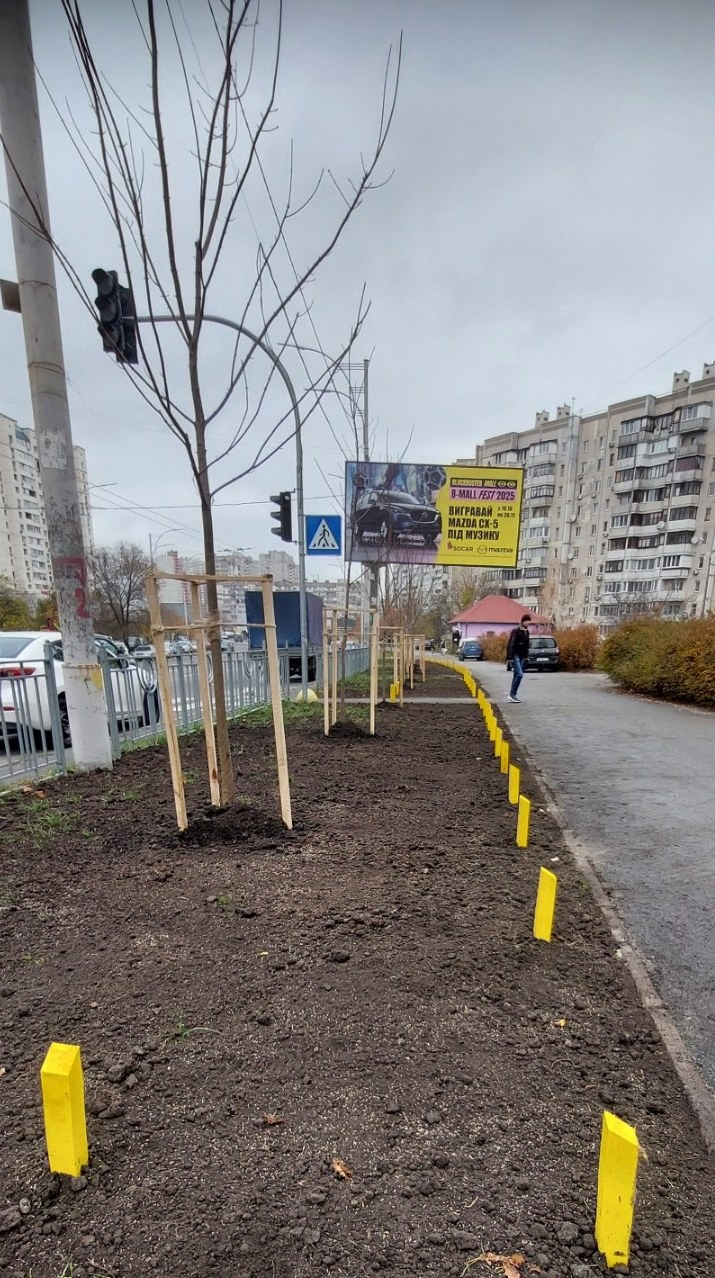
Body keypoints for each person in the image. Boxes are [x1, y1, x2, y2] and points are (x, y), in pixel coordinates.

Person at [506, 614, 531, 703]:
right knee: (520, 674)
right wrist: (510, 656)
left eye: (529, 620)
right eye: (527, 620)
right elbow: (511, 643)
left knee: (516, 675)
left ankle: (512, 695)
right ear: (523, 621)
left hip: (522, 656)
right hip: (515, 655)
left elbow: (527, 645)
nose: (529, 622)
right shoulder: (516, 631)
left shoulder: (527, 632)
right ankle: (512, 694)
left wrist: (527, 656)